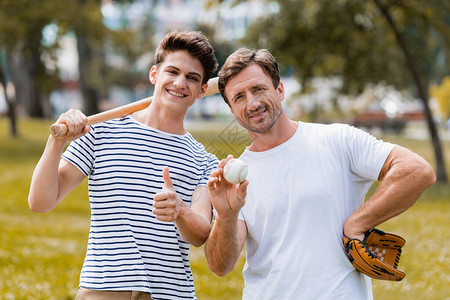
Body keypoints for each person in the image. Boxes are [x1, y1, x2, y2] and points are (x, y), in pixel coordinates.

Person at [205, 48, 436, 299]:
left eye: (258, 89)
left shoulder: (337, 140)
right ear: (232, 110)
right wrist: (228, 214)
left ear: (280, 90)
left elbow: (416, 170)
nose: (252, 103)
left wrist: (357, 223)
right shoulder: (237, 181)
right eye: (239, 97)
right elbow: (220, 266)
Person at [28, 31, 219, 300]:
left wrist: (179, 210)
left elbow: (200, 233)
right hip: (104, 289)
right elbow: (41, 201)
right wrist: (55, 142)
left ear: (201, 91)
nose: (180, 83)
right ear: (154, 74)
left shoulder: (203, 160)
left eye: (192, 78)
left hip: (169, 294)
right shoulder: (100, 132)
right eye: (172, 71)